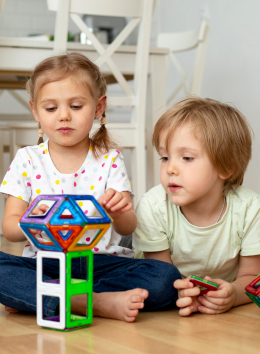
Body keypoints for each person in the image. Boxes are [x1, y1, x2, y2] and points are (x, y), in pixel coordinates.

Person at [0, 53, 181, 322]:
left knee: (166, 278)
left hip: (101, 264)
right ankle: (92, 302)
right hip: (46, 263)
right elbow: (9, 229)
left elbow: (127, 228)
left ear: (98, 108)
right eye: (51, 109)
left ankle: (46, 298)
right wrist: (39, 220)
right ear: (36, 111)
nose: (63, 116)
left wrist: (119, 211)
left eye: (75, 106)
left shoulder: (109, 159)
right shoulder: (27, 159)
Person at [133, 97, 260, 316]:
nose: (170, 168)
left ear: (226, 167)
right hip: (160, 280)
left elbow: (251, 277)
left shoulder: (250, 209)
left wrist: (233, 295)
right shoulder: (153, 205)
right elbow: (161, 275)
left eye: (187, 158)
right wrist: (184, 294)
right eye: (164, 157)